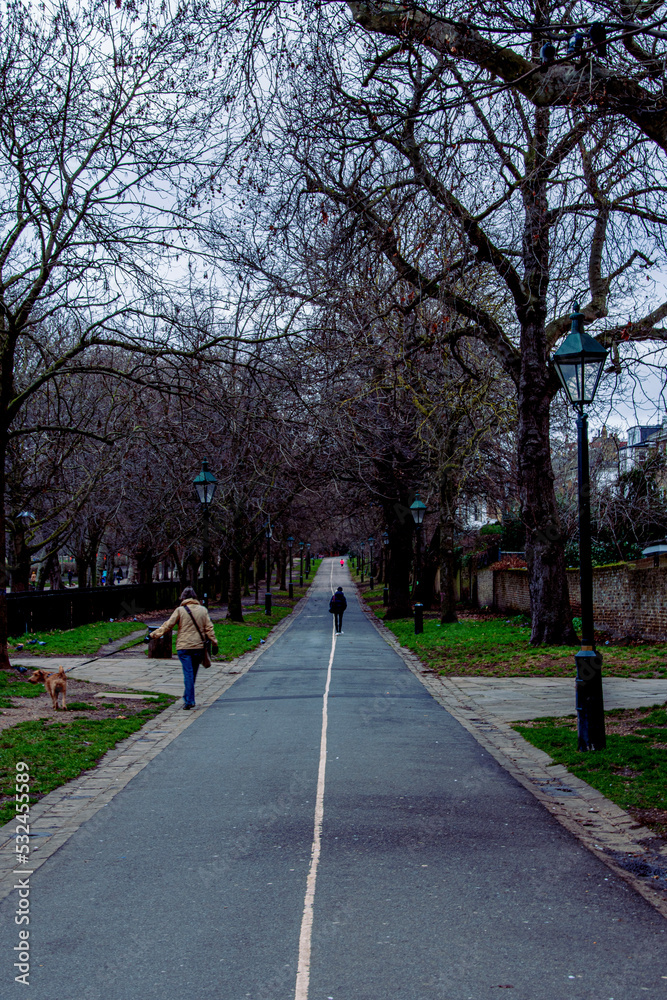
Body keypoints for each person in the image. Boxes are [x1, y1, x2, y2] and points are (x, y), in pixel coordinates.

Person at [148, 587, 218, 709]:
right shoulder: (203, 610)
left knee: (188, 673)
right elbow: (209, 628)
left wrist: (153, 635)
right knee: (192, 673)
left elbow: (167, 625)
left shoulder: (180, 610)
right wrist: (214, 643)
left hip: (184, 647)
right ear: (195, 597)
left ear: (183, 597)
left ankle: (189, 700)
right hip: (198, 647)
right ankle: (188, 698)